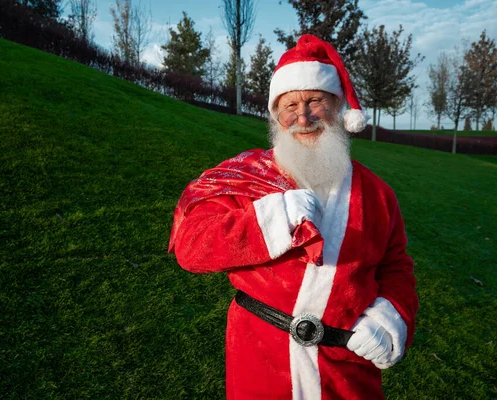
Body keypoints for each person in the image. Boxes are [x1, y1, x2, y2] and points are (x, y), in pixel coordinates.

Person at [168, 34, 418, 400]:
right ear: (275, 115)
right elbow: (191, 247)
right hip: (260, 356)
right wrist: (269, 219)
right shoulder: (246, 177)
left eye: (315, 101)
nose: (302, 117)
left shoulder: (378, 195)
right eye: (289, 106)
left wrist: (392, 316)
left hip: (346, 370)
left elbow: (396, 268)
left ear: (338, 106)